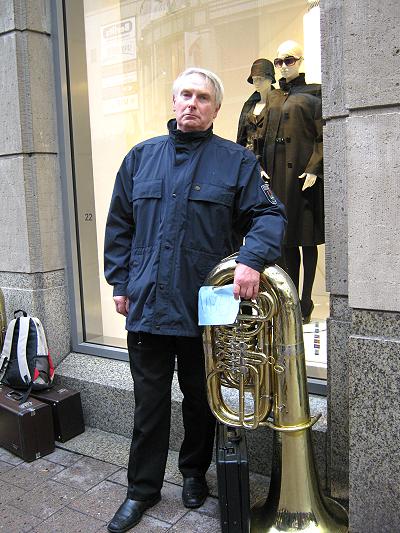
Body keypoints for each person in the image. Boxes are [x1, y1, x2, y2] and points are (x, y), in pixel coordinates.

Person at [104, 67, 286, 532]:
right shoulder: (140, 158)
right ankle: (140, 491)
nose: (192, 103)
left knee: (200, 402)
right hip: (147, 304)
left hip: (208, 309)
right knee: (148, 406)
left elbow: (269, 215)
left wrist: (251, 259)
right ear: (172, 101)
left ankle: (193, 476)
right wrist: (120, 283)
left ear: (216, 109)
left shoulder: (238, 163)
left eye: (203, 97)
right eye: (185, 94)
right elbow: (120, 227)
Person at [262, 40, 324, 323]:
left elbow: (323, 136)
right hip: (277, 176)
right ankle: (290, 300)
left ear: (299, 61)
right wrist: (260, 166)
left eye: (289, 60)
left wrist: (314, 167)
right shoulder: (274, 97)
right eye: (278, 61)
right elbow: (260, 136)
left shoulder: (314, 93)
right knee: (286, 240)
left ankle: (307, 299)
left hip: (302, 176)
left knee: (306, 239)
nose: (283, 66)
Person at [236, 58, 275, 168]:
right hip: (248, 162)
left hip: (270, 161)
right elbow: (241, 137)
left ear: (270, 79)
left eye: (260, 79)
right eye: (254, 79)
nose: (256, 83)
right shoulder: (248, 106)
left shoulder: (278, 105)